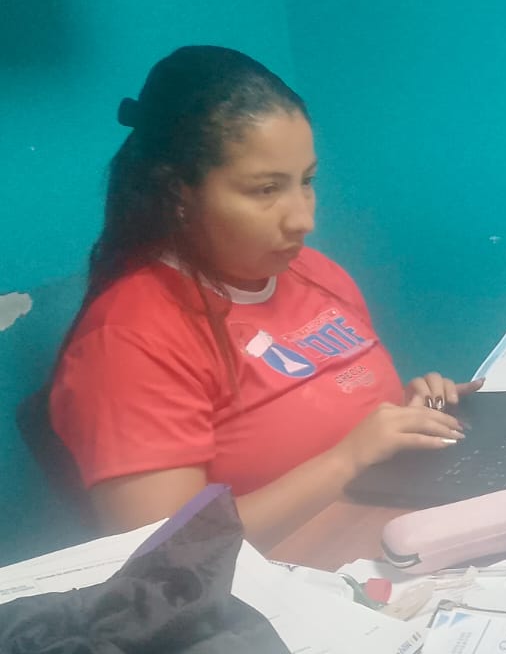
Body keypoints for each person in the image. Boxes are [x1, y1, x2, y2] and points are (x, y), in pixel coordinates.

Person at [50, 46, 471, 546]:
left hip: (401, 535)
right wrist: (347, 459)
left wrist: (409, 415)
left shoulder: (315, 273)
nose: (303, 219)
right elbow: (168, 553)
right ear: (178, 192)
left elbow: (330, 414)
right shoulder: (128, 341)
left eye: (306, 181)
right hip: (290, 583)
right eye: (266, 190)